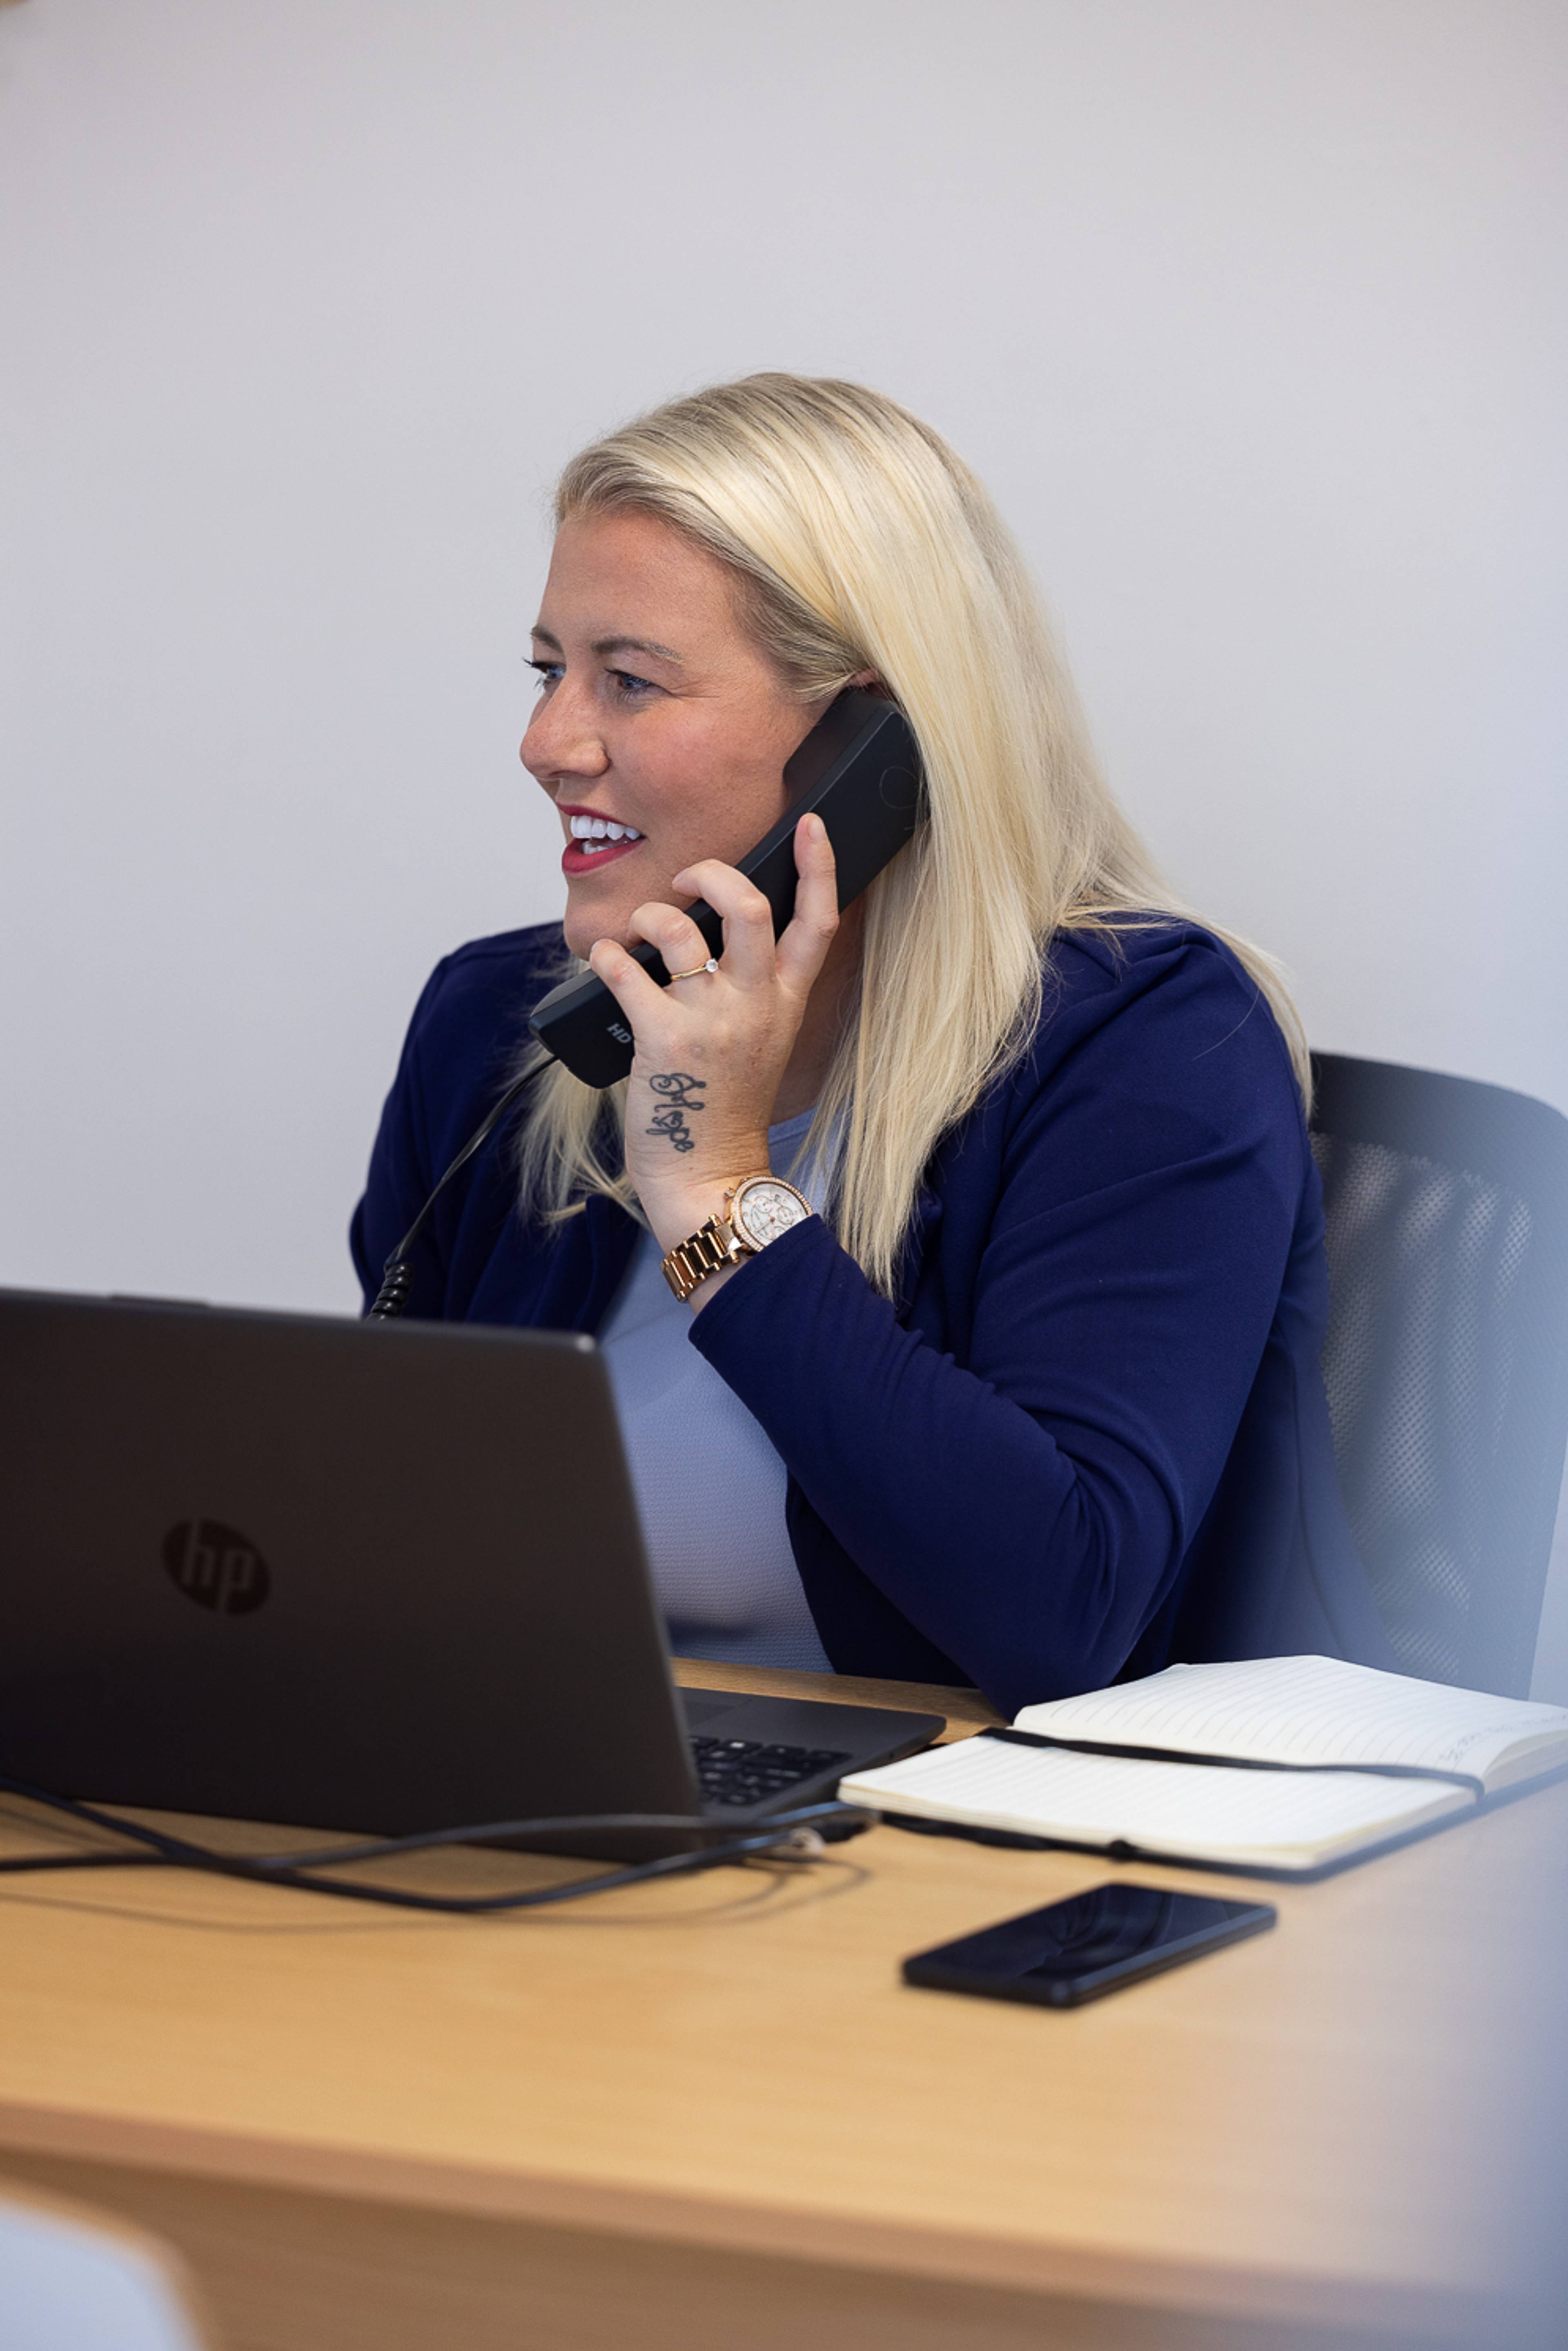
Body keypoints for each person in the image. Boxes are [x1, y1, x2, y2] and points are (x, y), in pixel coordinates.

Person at [352, 373, 1394, 1716]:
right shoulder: (498, 1030)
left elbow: (1060, 1614)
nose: (548, 742)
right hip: (592, 1812)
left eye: (630, 679)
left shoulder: (1151, 1043)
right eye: (551, 669)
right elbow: (383, 1545)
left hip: (1030, 1866)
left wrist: (722, 1198)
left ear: (871, 742)